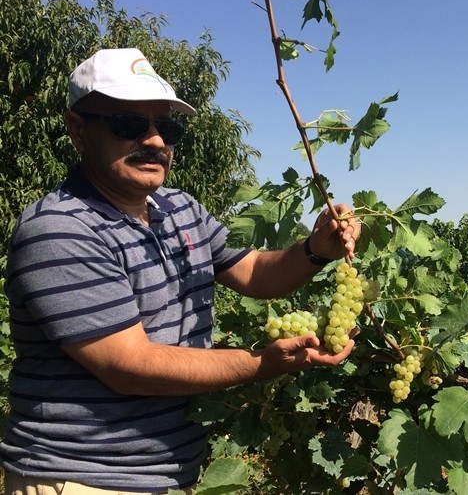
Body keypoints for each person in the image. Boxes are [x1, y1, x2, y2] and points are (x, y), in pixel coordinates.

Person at [0, 48, 360, 493]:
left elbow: (251, 272)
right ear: (78, 129)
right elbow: (129, 365)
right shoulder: (58, 230)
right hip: (81, 478)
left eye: (166, 127)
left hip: (171, 473)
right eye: (129, 124)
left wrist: (314, 250)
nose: (154, 141)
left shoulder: (179, 208)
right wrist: (263, 364)